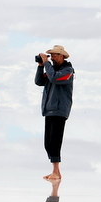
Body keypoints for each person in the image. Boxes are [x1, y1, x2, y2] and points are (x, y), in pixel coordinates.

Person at [35, 45, 75, 180]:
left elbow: (54, 78)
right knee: (47, 143)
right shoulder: (51, 69)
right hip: (49, 109)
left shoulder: (68, 71)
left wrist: (46, 63)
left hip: (59, 109)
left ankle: (57, 172)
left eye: (55, 55)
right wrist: (41, 66)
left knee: (55, 142)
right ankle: (55, 171)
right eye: (51, 56)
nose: (52, 58)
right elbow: (39, 81)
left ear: (62, 56)